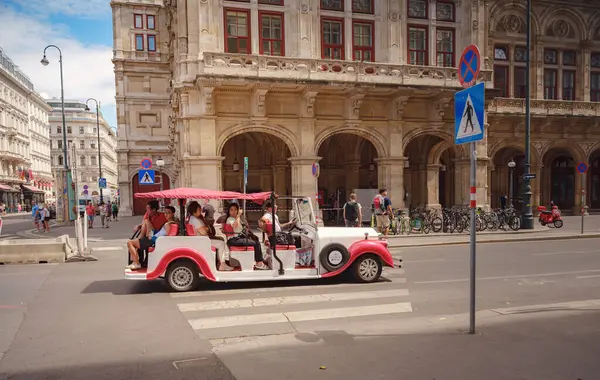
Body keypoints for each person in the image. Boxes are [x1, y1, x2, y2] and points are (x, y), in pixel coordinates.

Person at [126, 206, 178, 271]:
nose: (166, 214)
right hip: (154, 238)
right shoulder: (169, 223)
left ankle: (136, 262)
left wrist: (153, 237)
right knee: (146, 222)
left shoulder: (169, 224)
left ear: (173, 214)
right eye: (165, 212)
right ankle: (138, 242)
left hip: (153, 240)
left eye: (168, 213)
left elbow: (166, 236)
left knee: (130, 243)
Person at [187, 201, 234, 271]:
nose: (201, 211)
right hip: (202, 241)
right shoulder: (194, 220)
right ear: (194, 211)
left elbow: (205, 228)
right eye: (199, 210)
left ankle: (219, 262)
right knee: (221, 243)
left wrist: (206, 228)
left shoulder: (196, 219)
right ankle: (222, 264)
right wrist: (206, 229)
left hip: (202, 239)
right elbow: (203, 232)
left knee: (221, 239)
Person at [226, 203, 267, 270]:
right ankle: (259, 263)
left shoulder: (237, 218)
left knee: (255, 240)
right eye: (231, 210)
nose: (233, 211)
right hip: (234, 240)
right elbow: (235, 226)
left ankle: (259, 260)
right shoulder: (230, 219)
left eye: (235, 209)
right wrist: (238, 215)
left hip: (238, 239)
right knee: (256, 243)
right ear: (229, 212)